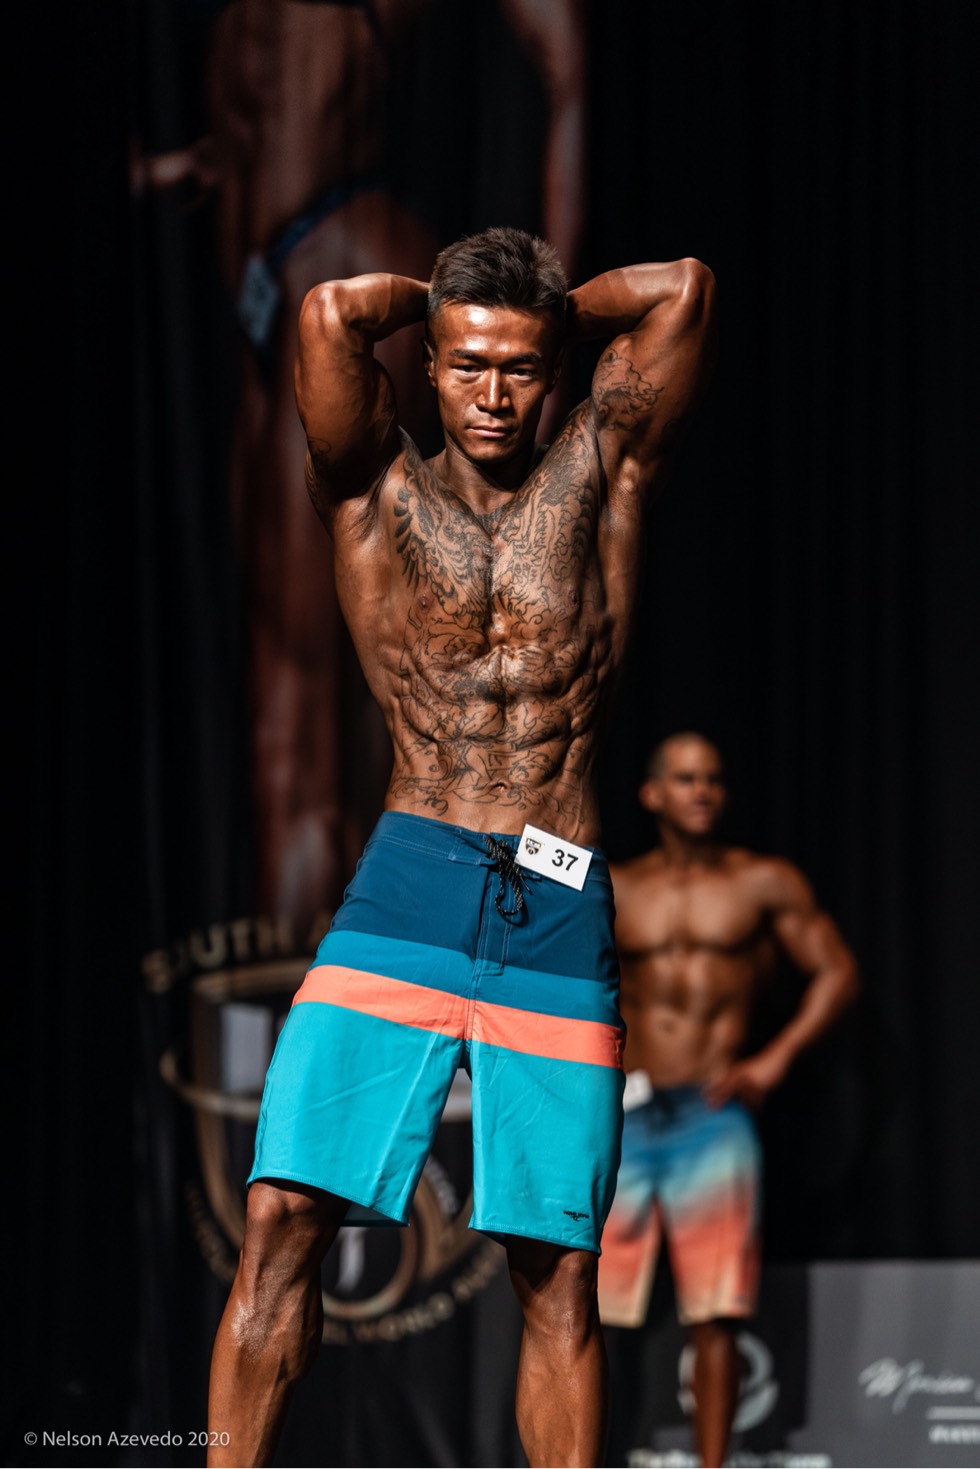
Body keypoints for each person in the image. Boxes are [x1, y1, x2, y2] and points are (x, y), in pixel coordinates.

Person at [205, 228, 717, 1467]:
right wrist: (445, 299)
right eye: (468, 364)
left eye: (520, 368)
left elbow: (683, 289)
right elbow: (329, 313)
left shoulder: (600, 465)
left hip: (555, 906)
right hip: (410, 885)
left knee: (557, 1266)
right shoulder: (372, 484)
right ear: (427, 364)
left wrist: (551, 311)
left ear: (553, 371)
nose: (493, 394)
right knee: (280, 1214)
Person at [132, 0, 589, 943]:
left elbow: (566, 64)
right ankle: (346, 970)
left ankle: (329, 981)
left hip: (345, 262)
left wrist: (550, 337)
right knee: (299, 699)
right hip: (275, 294)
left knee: (304, 712)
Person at [598, 731, 860, 1467]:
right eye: (686, 779)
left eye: (712, 778)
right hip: (628, 1114)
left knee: (715, 1311)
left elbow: (837, 971)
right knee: (590, 1307)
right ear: (652, 794)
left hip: (713, 1116)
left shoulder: (760, 882)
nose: (703, 791)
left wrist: (775, 1058)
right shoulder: (619, 886)